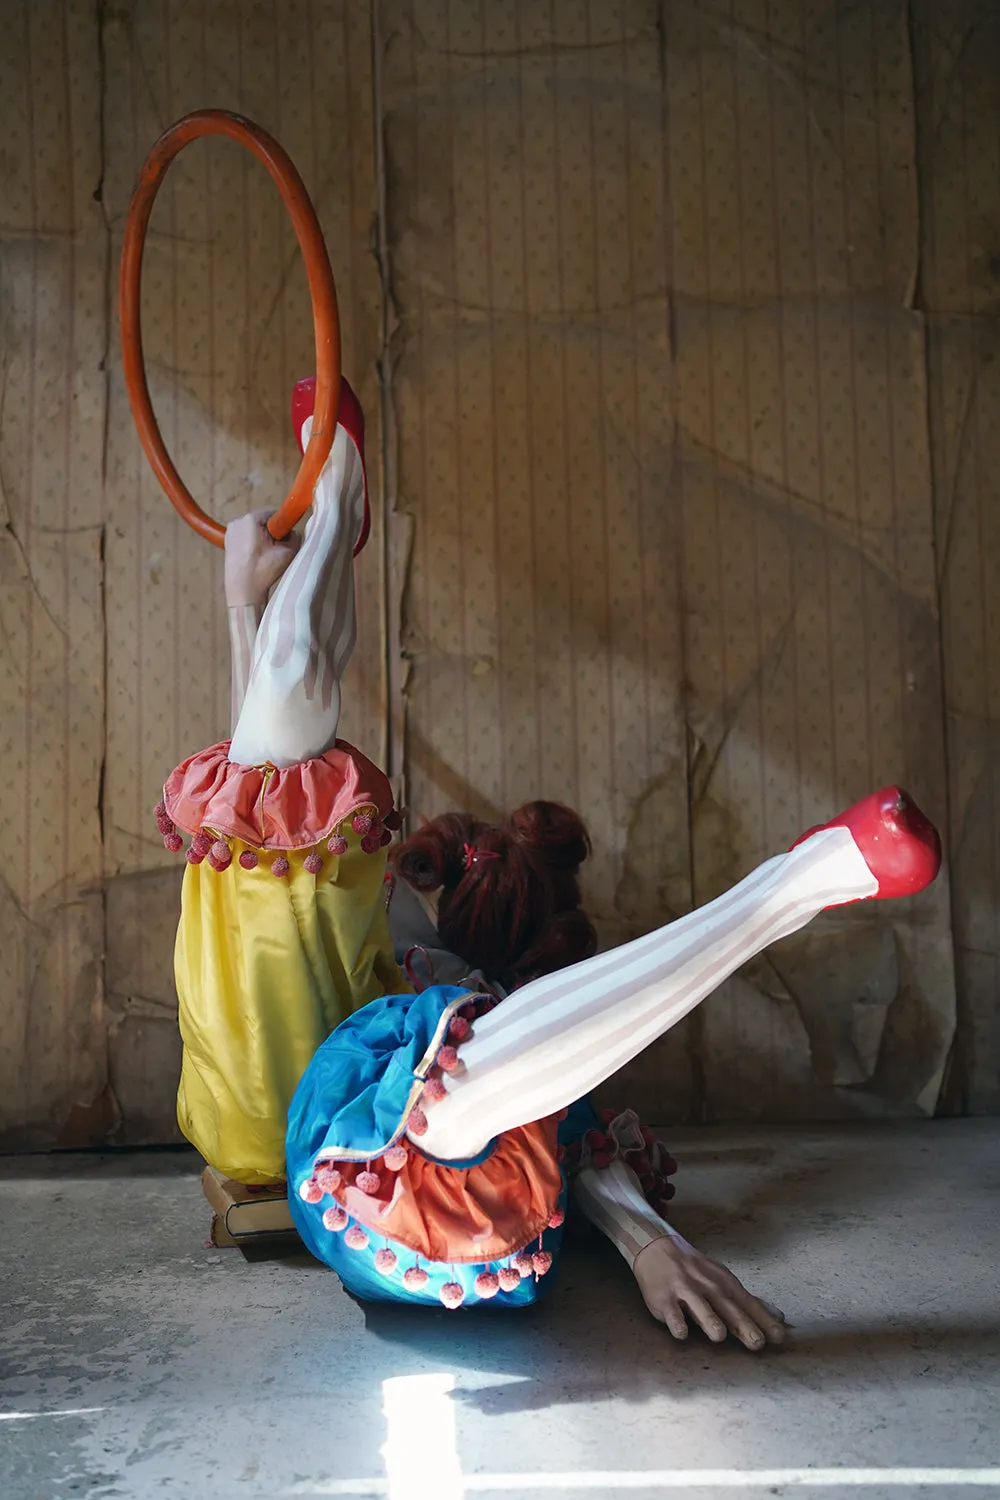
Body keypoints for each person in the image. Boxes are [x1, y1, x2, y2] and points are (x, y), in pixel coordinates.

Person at [287, 781, 940, 1347]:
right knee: (444, 1095)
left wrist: (648, 1245)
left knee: (489, 1079)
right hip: (364, 1161)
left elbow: (582, 1150)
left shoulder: (552, 1040)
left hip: (477, 1236)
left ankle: (799, 882)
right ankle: (793, 884)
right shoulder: (401, 926)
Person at [154, 378, 405, 1187]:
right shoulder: (261, 1129)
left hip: (273, 1124)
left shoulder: (241, 1135)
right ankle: (335, 505)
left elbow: (247, 773)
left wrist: (239, 604)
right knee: (271, 761)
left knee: (257, 775)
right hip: (308, 1117)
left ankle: (335, 507)